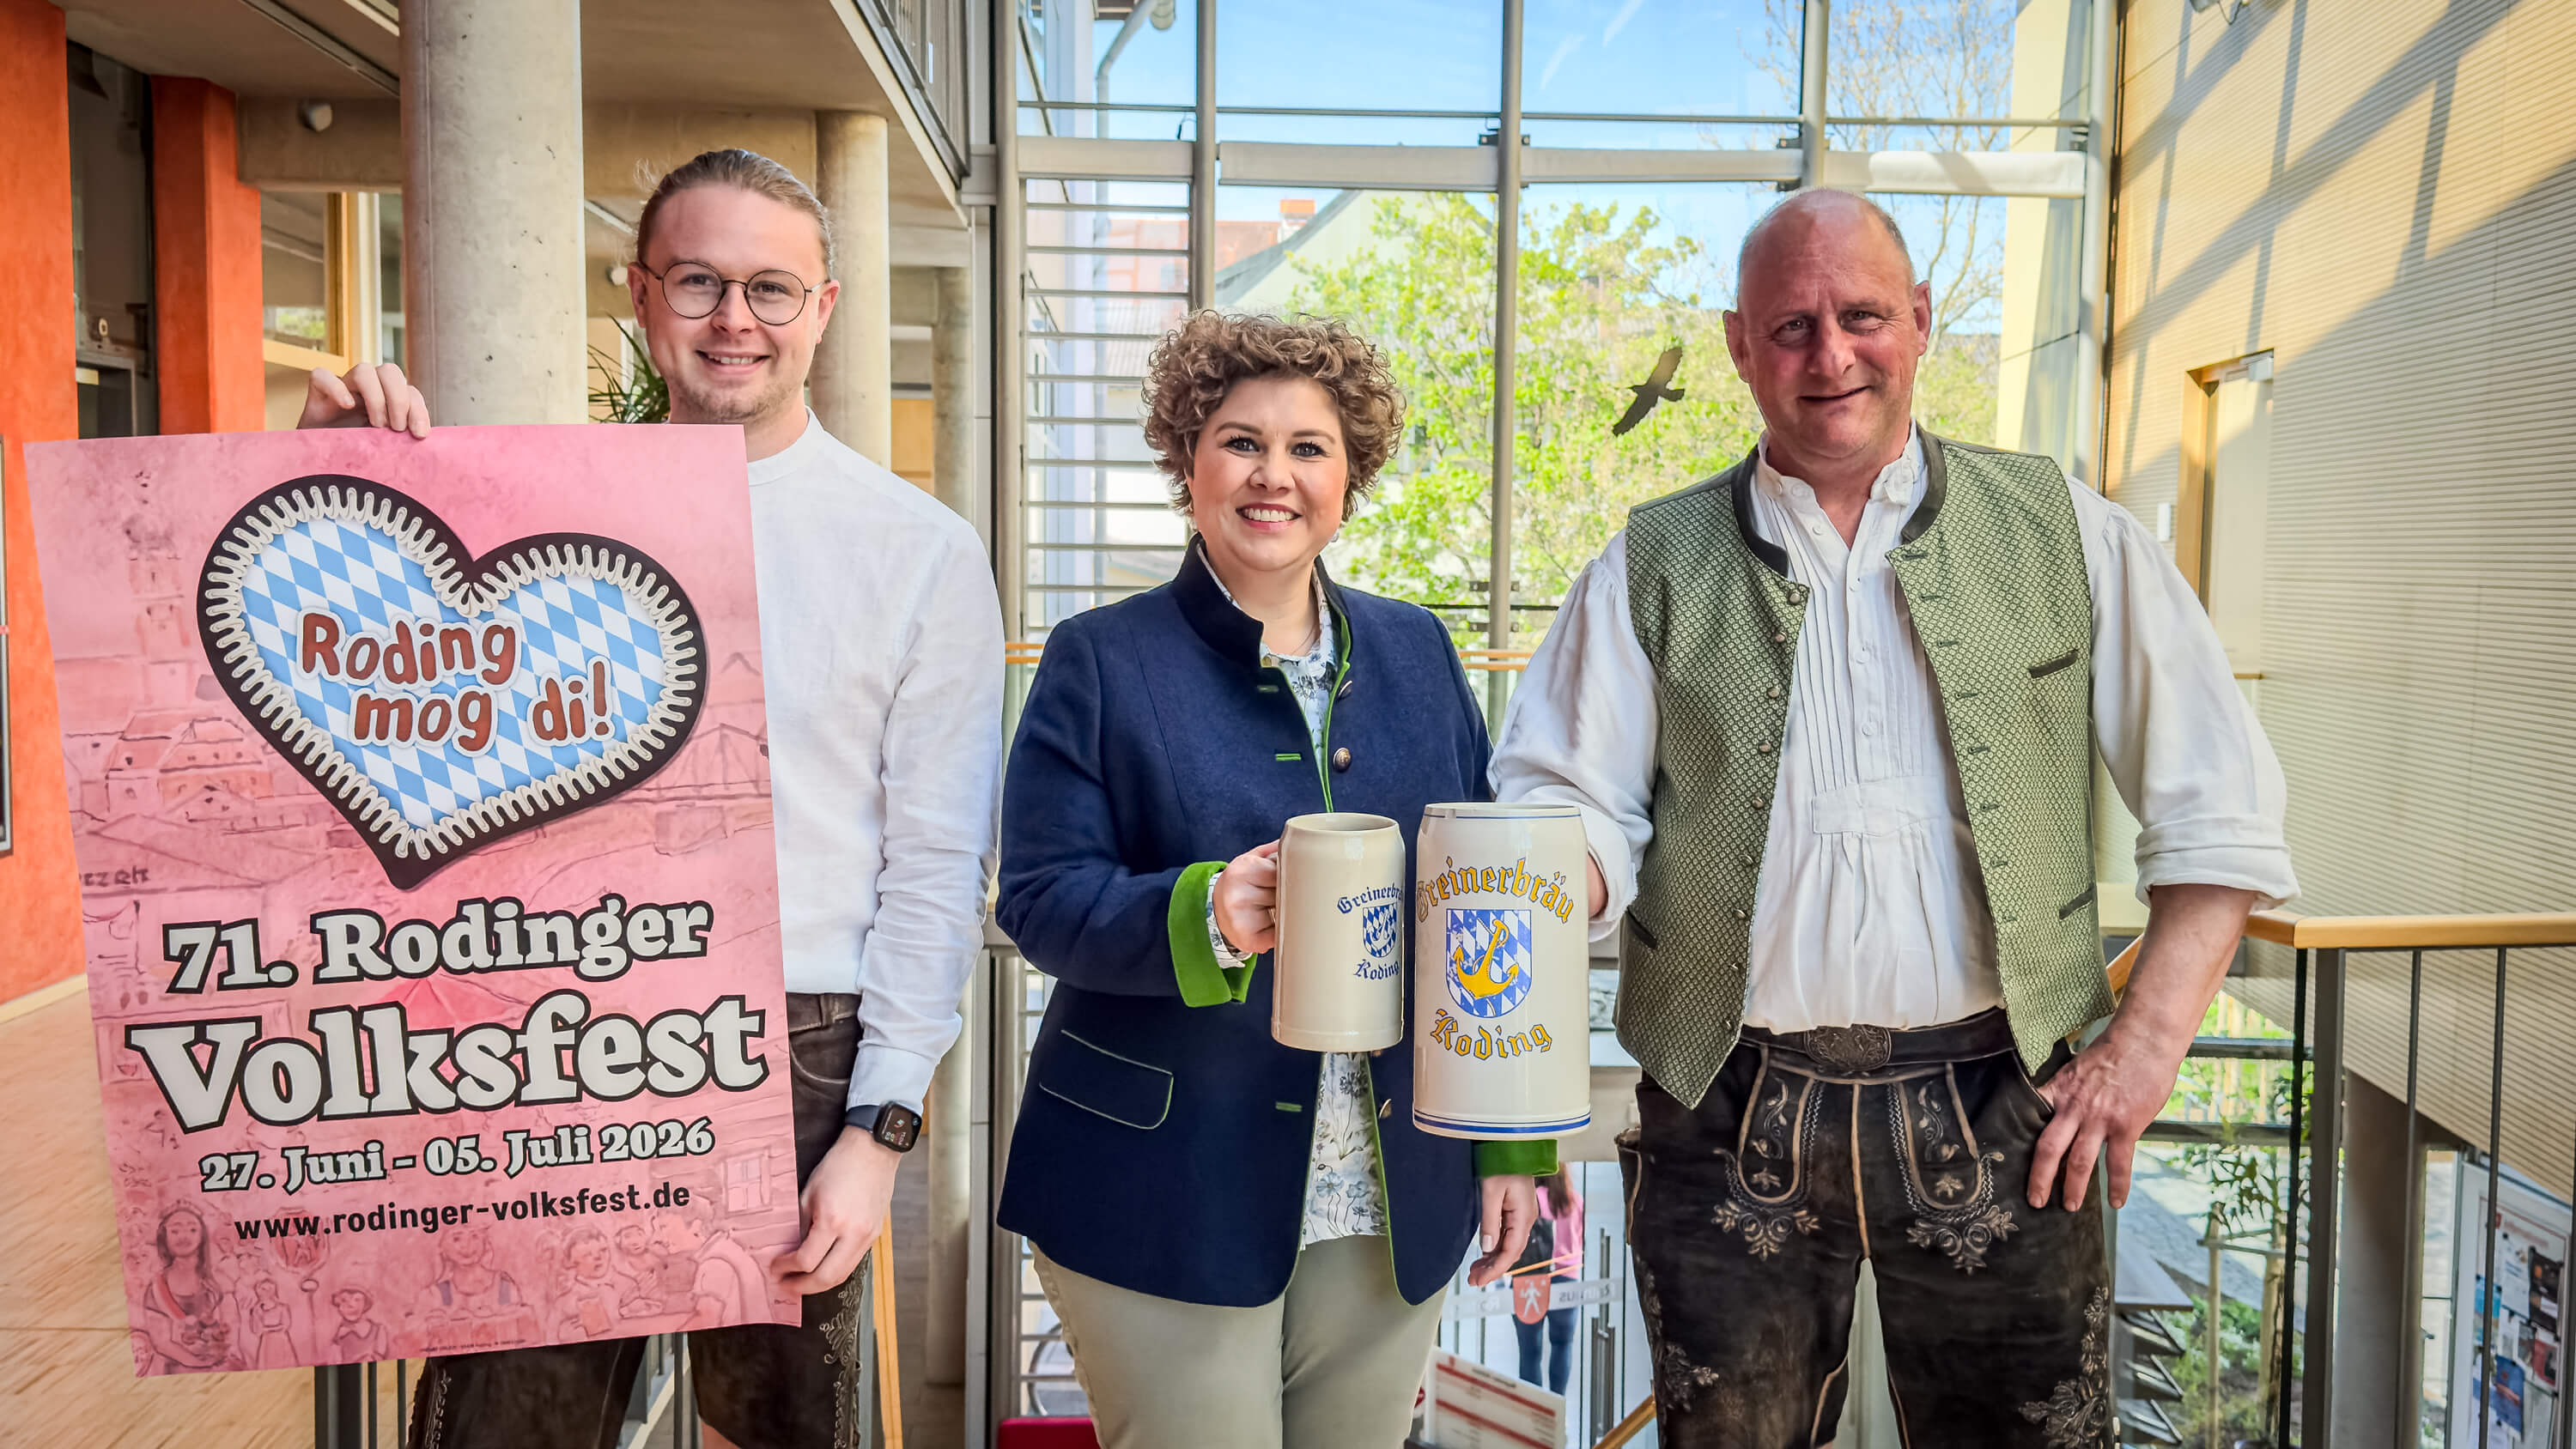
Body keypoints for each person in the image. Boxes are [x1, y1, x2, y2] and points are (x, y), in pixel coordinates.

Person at [1492, 189, 2298, 1444]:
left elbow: (2220, 808)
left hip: (2008, 1099)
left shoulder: (2068, 533)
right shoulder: (1647, 563)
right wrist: (1557, 878)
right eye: (1793, 326)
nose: (1832, 355)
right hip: (1723, 1102)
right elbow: (1565, 806)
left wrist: (2141, 1053)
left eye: (1863, 315)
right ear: (1737, 345)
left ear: (1921, 321)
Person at [302, 147, 1004, 1449]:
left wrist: (880, 1130)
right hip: (556, 1024)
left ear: (825, 308)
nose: (735, 319)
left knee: (785, 1438)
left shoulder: (918, 553)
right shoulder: (520, 506)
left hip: (802, 1041)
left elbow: (936, 860)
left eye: (772, 289)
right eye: (699, 280)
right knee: (502, 1431)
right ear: (640, 294)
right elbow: (364, 719)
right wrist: (327, 495)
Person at [995, 310, 1551, 1449]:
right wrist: (1201, 910)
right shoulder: (1100, 656)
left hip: (1388, 1183)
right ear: (1188, 460)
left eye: (1310, 448)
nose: (1274, 476)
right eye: (1241, 441)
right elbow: (1041, 896)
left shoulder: (1420, 651)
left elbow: (1482, 909)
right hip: (1162, 1183)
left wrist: (1511, 1146)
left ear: (1351, 476)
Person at [138, 1203, 241, 1372]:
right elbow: (161, 1342)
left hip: (221, 1365)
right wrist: (195, 1362)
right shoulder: (156, 1288)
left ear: (202, 1236)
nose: (183, 1236)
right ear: (164, 1237)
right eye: (175, 1231)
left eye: (192, 1230)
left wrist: (216, 1353)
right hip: (179, 1369)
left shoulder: (219, 1282)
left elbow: (231, 1325)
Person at [1512, 1171, 1583, 1396]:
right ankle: (1557, 1408)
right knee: (1563, 1345)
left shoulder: (1531, 1199)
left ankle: (1535, 1414)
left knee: (1529, 1351)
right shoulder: (1574, 1200)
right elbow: (1580, 1240)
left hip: (1530, 1278)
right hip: (1567, 1278)